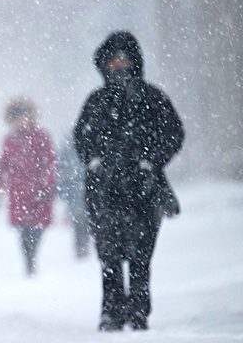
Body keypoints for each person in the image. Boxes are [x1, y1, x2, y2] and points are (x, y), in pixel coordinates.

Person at [73, 31, 184, 331]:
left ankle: (138, 310)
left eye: (124, 59)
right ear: (105, 64)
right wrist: (95, 163)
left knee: (140, 255)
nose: (119, 66)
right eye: (114, 60)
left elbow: (174, 134)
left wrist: (151, 161)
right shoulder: (96, 101)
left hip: (143, 190)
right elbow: (81, 139)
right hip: (104, 191)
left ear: (135, 62)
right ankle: (111, 312)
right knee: (109, 255)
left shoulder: (153, 98)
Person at [0, 97, 56, 276]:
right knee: (23, 231)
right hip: (18, 192)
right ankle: (28, 261)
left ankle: (33, 256)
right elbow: (2, 166)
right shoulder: (9, 140)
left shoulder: (42, 136)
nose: (21, 121)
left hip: (39, 192)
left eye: (24, 116)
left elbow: (50, 163)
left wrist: (45, 185)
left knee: (37, 229)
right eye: (17, 118)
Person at [56, 135, 90, 258]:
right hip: (79, 191)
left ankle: (82, 247)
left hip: (78, 191)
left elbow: (60, 170)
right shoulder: (76, 145)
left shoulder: (68, 146)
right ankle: (82, 248)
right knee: (81, 220)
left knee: (81, 220)